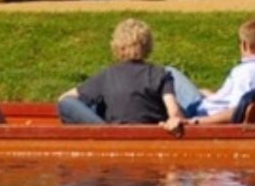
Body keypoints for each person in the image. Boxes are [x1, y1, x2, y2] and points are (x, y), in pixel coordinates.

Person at [57, 18, 187, 132]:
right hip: (150, 130)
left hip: (115, 132)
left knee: (68, 103)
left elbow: (66, 98)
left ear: (117, 46)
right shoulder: (160, 73)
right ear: (148, 45)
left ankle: (103, 131)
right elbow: (173, 110)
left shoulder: (107, 75)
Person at [166, 18, 255, 125]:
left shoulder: (246, 73)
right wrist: (214, 96)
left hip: (202, 114)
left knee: (169, 72)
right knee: (200, 91)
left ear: (245, 45)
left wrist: (196, 121)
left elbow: (235, 112)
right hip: (213, 106)